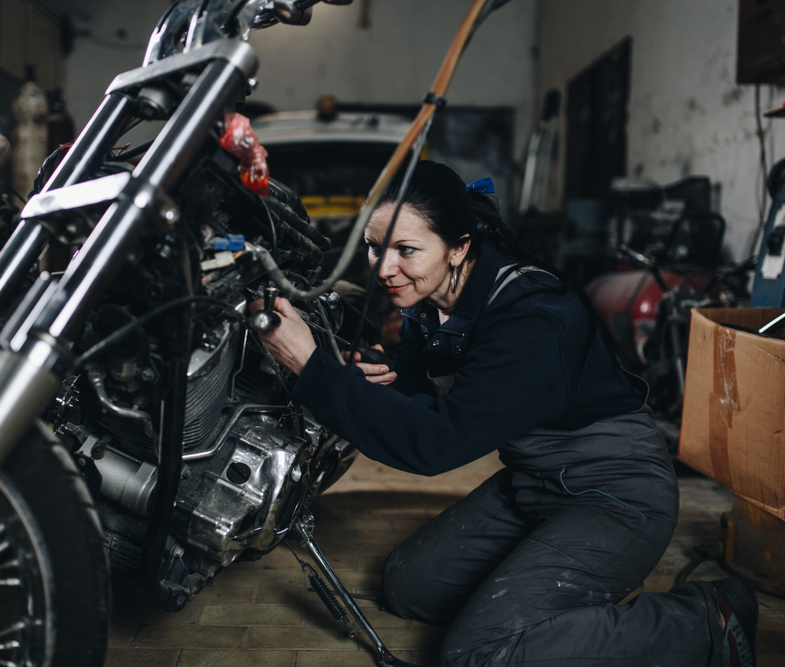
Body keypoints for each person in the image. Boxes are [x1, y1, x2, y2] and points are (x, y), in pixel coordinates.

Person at [255, 161, 758, 667]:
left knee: (479, 652)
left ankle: (704, 621)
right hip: (535, 483)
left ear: (459, 246)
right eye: (374, 246)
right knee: (409, 587)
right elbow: (417, 385)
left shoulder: (533, 314)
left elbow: (434, 444)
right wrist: (366, 372)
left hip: (615, 493)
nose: (383, 267)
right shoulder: (429, 300)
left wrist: (310, 367)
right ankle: (544, 597)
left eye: (405, 250)